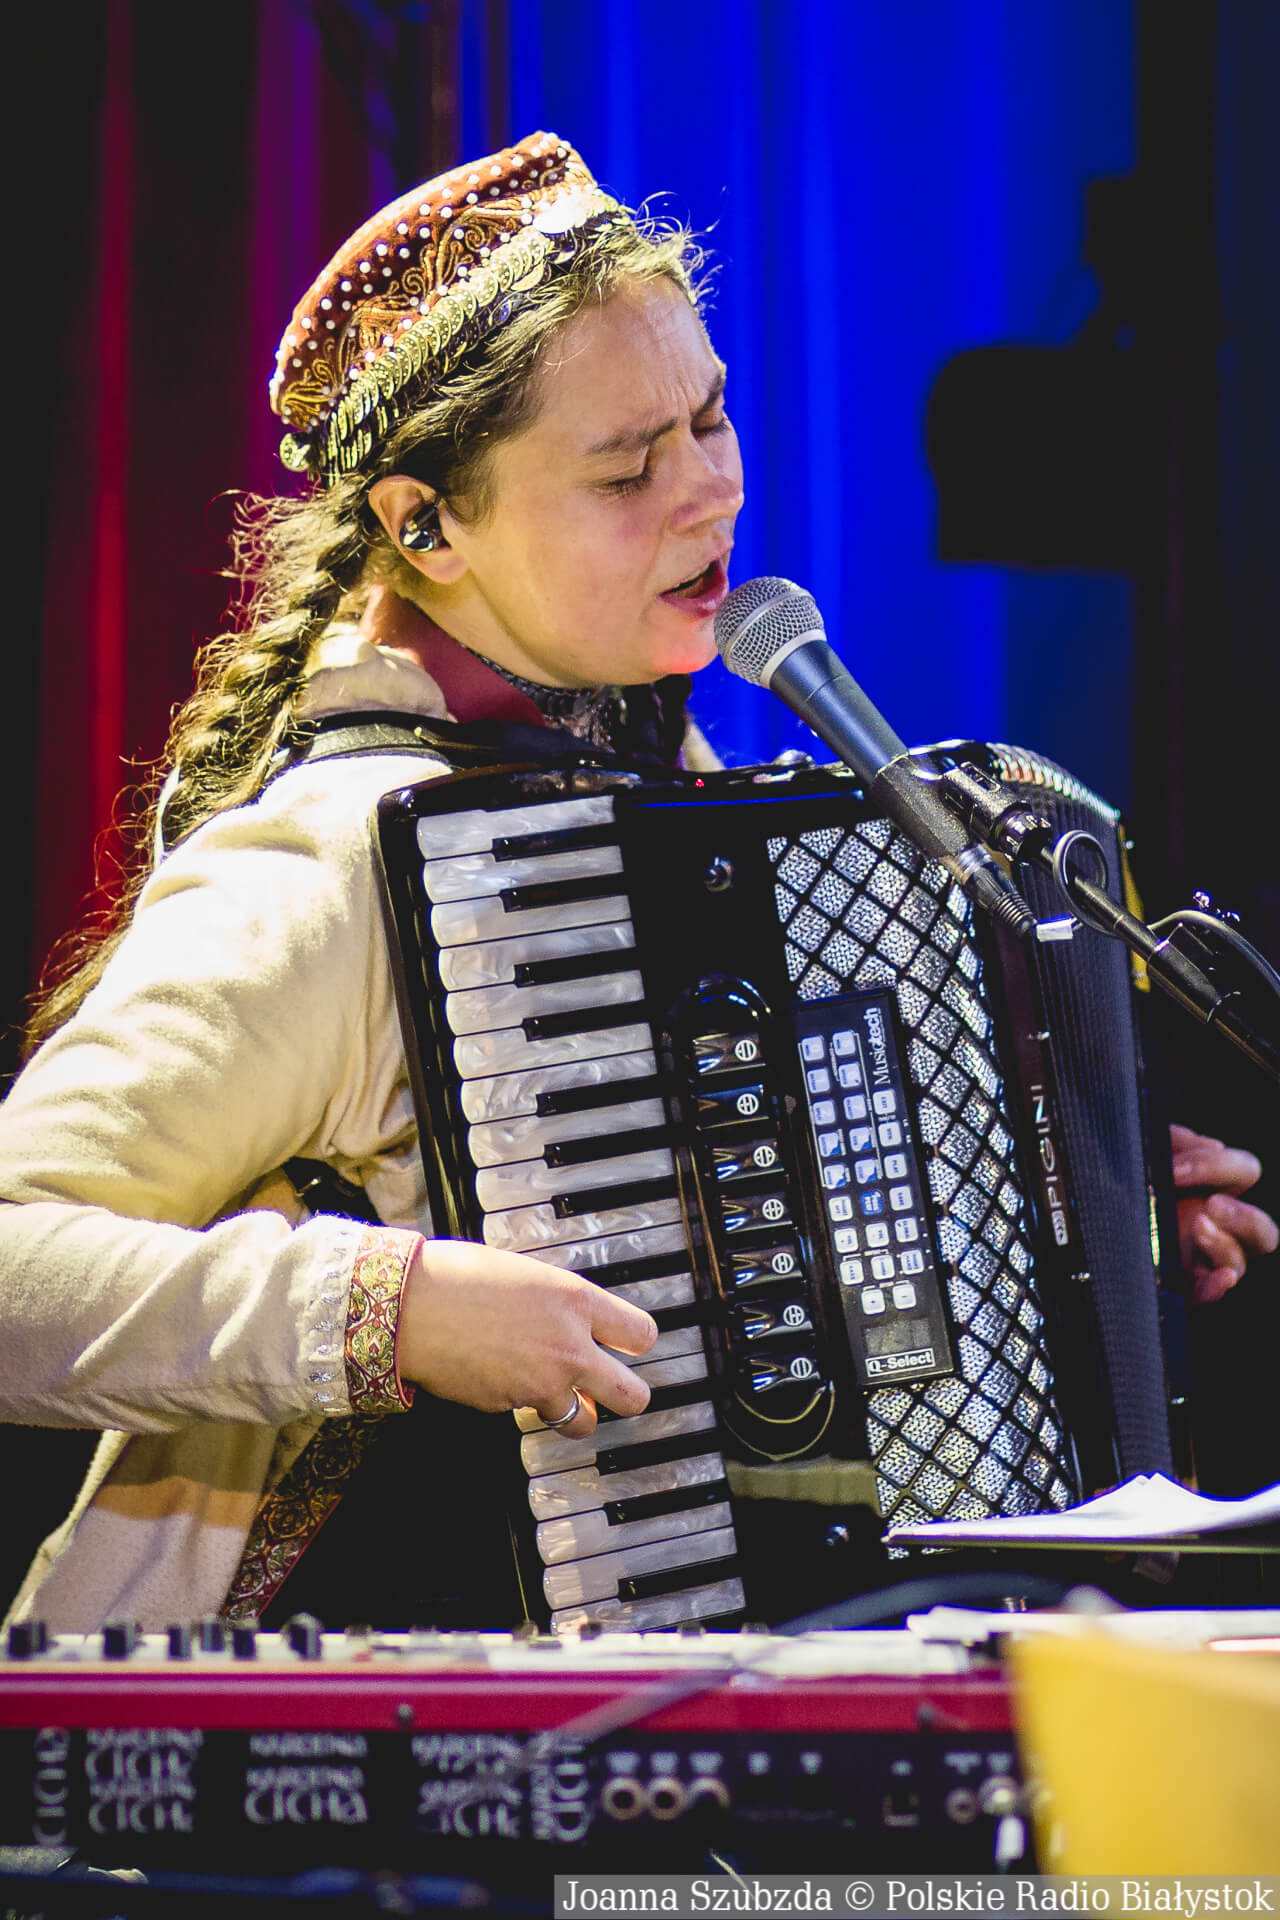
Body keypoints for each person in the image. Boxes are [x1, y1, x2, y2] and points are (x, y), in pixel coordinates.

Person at [0, 134, 1273, 1635]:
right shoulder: (331, 861)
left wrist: (1066, 1219)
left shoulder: (656, 783)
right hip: (356, 1702)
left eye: (710, 419)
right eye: (624, 468)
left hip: (689, 1694)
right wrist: (393, 1309)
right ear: (425, 526)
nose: (707, 495)